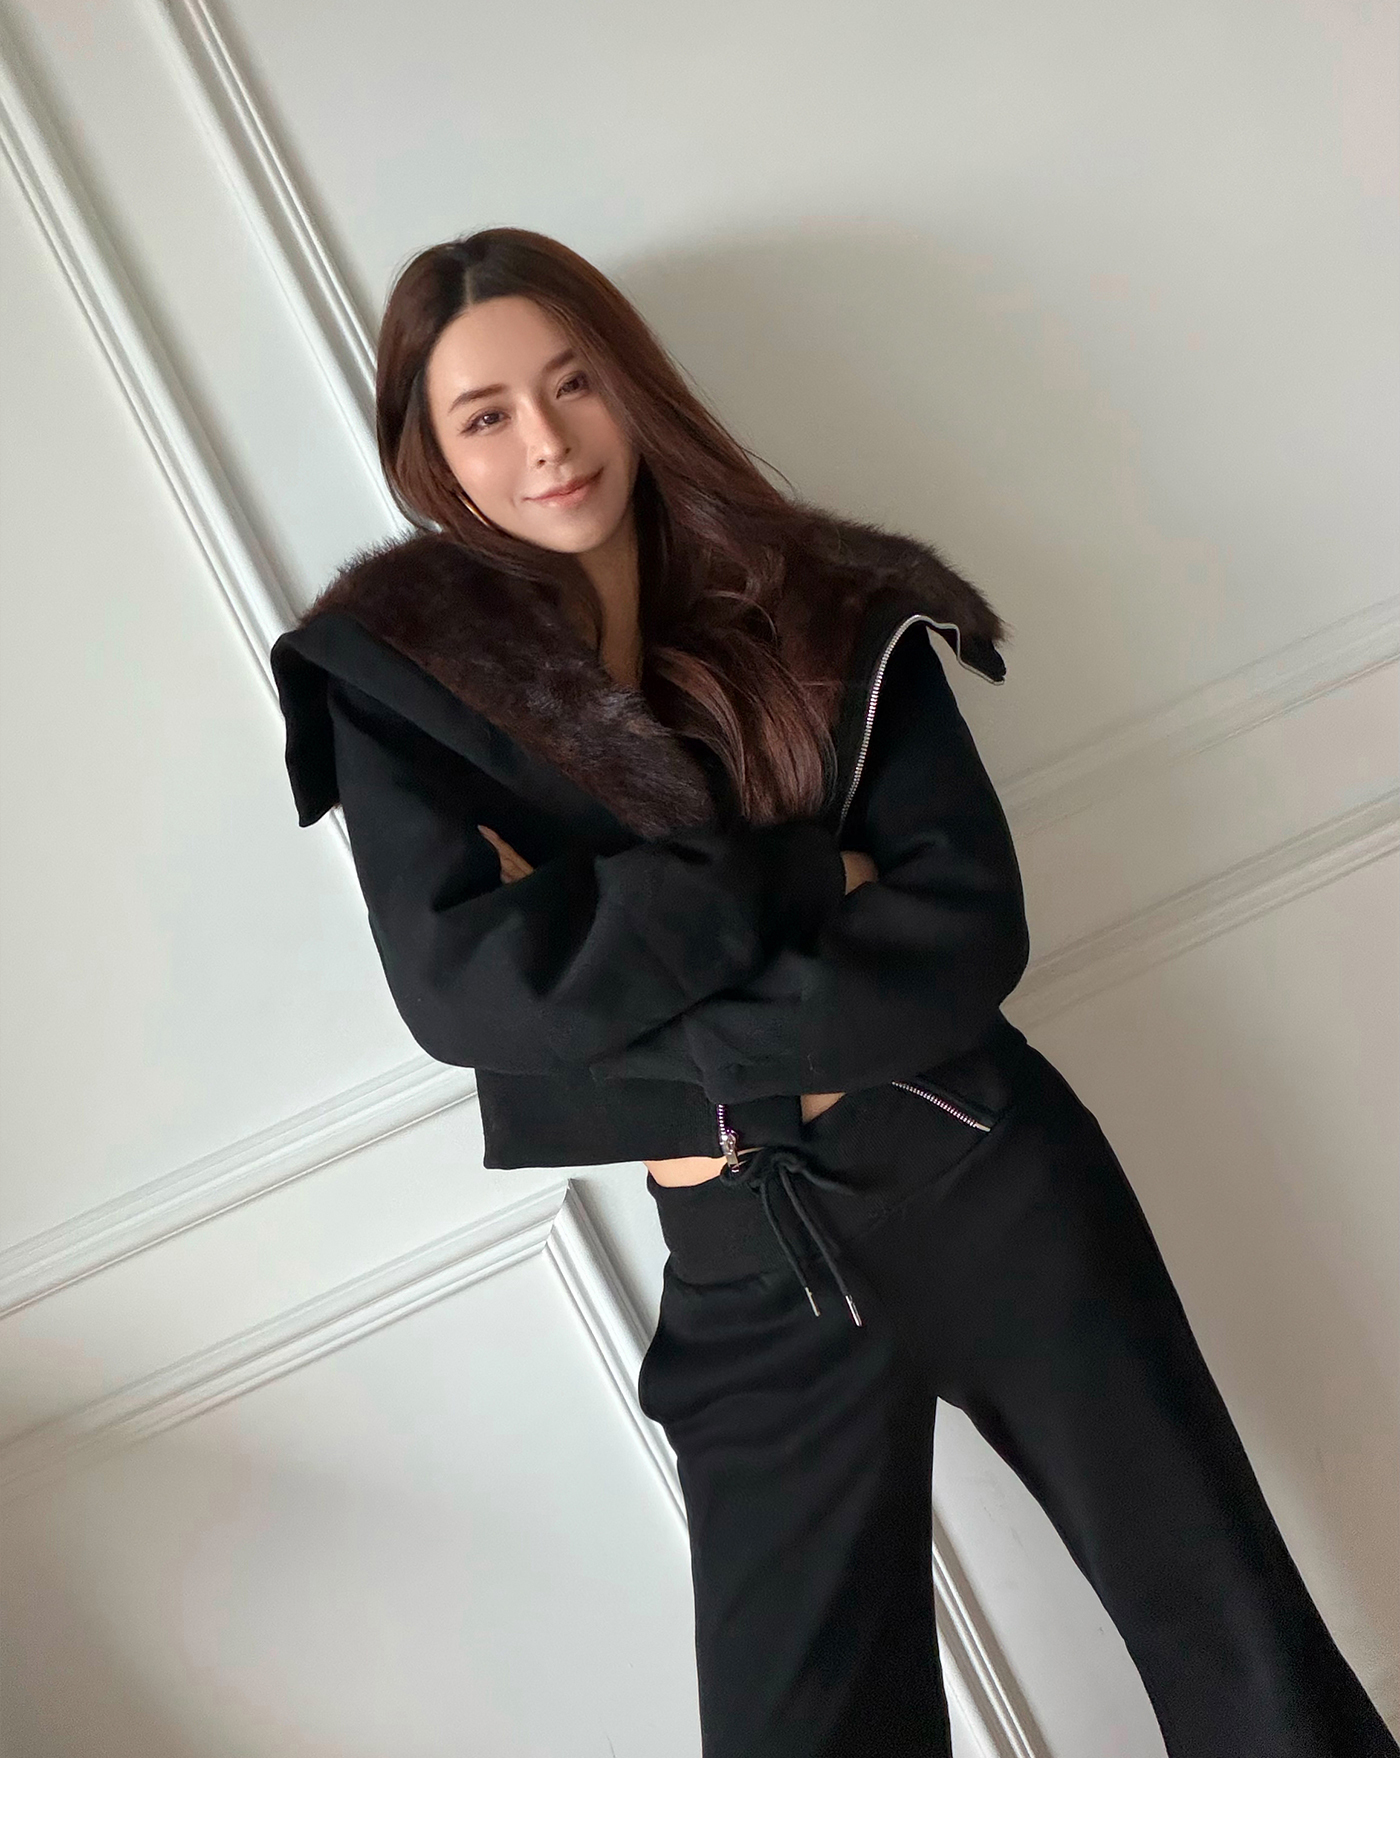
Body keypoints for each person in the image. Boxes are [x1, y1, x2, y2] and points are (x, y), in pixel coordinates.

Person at [271, 228, 1396, 1760]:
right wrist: (800, 875)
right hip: (746, 1269)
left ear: (629, 381)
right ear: (433, 453)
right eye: (486, 413)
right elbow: (472, 996)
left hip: (983, 1172)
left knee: (1237, 1645)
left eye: (574, 382)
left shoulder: (821, 602)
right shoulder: (400, 682)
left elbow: (962, 929)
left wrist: (613, 999)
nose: (546, 440)